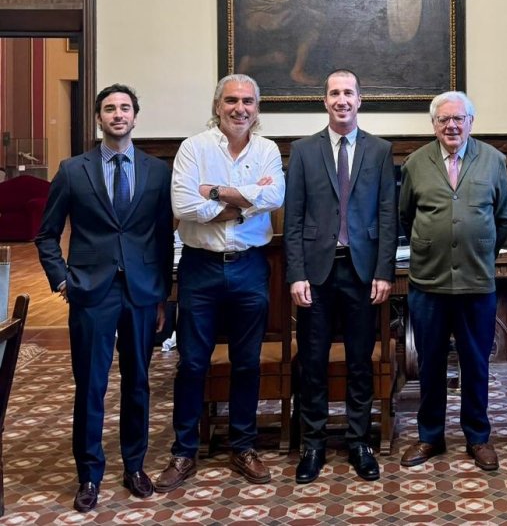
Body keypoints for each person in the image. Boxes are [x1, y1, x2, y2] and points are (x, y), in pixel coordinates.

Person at [35, 84, 173, 513]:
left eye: (125, 108)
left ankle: (135, 466)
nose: (118, 114)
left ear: (135, 116)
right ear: (99, 118)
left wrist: (163, 294)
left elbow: (163, 237)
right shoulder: (73, 170)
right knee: (91, 385)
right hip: (91, 292)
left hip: (141, 292)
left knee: (137, 383)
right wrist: (62, 280)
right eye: (110, 108)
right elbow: (46, 235)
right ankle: (89, 474)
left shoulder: (157, 171)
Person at [155, 74, 285, 493]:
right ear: (217, 106)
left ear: (257, 108)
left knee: (247, 362)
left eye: (248, 101)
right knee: (192, 363)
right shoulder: (193, 148)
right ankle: (184, 451)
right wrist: (244, 202)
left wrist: (215, 192)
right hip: (201, 268)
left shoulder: (267, 150)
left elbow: (274, 198)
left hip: (250, 266)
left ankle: (243, 446)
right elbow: (183, 205)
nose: (239, 108)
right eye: (231, 100)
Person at [285, 69, 397, 484]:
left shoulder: (380, 150)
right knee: (312, 361)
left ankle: (358, 441)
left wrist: (383, 271)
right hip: (316, 273)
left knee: (360, 362)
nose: (342, 100)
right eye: (334, 93)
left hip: (362, 272)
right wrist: (296, 274)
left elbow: (387, 215)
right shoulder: (303, 151)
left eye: (349, 92)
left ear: (360, 99)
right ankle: (313, 443)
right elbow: (293, 218)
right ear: (325, 100)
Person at [398, 91, 507, 471]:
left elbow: (503, 218)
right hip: (428, 283)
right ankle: (430, 436)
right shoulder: (415, 163)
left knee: (476, 363)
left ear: (470, 122)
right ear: (433, 124)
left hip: (476, 282)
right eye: (443, 119)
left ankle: (477, 437)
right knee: (429, 363)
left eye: (458, 119)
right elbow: (406, 216)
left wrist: (478, 250)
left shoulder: (494, 160)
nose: (451, 125)